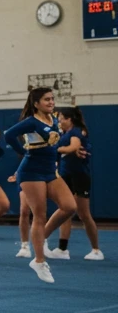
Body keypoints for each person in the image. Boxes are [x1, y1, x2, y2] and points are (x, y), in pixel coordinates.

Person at [3, 87, 75, 283]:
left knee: (69, 206)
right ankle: (39, 260)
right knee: (39, 214)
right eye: (46, 100)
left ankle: (42, 237)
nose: (51, 102)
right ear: (36, 103)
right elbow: (9, 135)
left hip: (50, 171)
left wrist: (57, 158)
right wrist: (24, 152)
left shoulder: (54, 120)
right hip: (31, 171)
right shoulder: (31, 122)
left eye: (52, 99)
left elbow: (54, 145)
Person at [52, 106, 102, 260]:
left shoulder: (77, 132)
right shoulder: (63, 133)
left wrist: (57, 148)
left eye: (61, 118)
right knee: (65, 211)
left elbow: (73, 147)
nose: (59, 121)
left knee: (83, 214)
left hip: (79, 176)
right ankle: (62, 249)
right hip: (66, 175)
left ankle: (96, 250)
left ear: (69, 119)